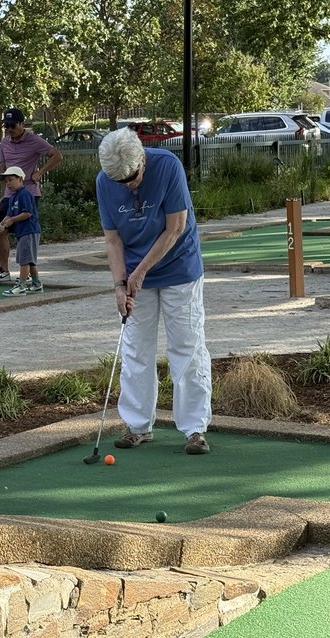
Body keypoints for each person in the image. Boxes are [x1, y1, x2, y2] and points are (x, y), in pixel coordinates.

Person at [95, 127, 212, 455]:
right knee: (135, 348)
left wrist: (141, 272)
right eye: (121, 182)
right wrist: (120, 285)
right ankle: (137, 426)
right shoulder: (105, 182)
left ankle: (194, 429)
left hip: (179, 267)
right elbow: (113, 239)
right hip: (133, 273)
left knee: (186, 346)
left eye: (132, 177)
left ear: (142, 160)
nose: (128, 185)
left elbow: (175, 227)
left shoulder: (168, 166)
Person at [0, 107, 63, 283]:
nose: (9, 129)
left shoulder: (35, 141)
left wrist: (40, 172)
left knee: (24, 233)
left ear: (22, 124)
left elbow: (57, 156)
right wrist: (3, 194)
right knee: (1, 228)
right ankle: (3, 270)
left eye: (13, 125)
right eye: (7, 125)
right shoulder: (4, 143)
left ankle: (27, 273)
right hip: (9, 194)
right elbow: (3, 170)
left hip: (29, 192)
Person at [0, 166, 42, 296]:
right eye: (6, 181)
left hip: (30, 231)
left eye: (11, 180)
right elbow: (9, 215)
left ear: (20, 179)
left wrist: (12, 221)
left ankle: (21, 286)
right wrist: (3, 223)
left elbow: (27, 213)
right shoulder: (13, 197)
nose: (8, 183)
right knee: (30, 259)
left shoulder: (25, 194)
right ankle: (37, 284)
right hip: (22, 232)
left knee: (25, 259)